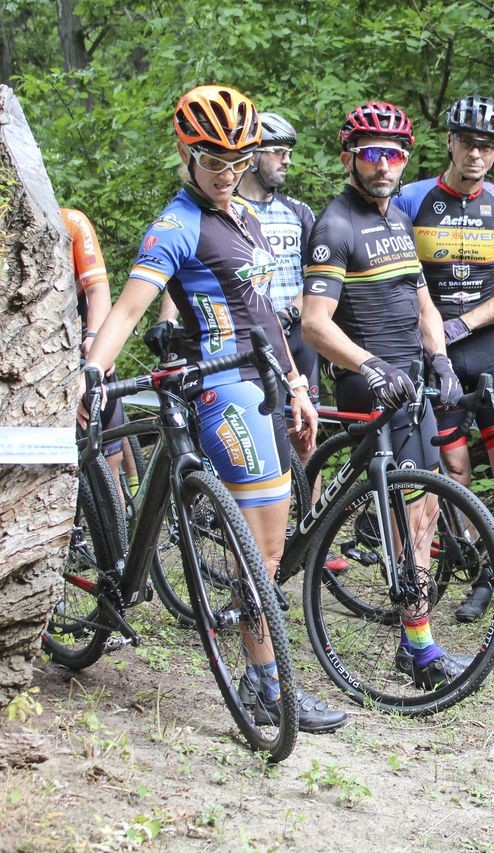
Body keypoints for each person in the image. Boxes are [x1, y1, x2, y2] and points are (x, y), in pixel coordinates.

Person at [79, 84, 346, 734]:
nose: (227, 176)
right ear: (186, 151)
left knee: (272, 547)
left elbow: (264, 316)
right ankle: (266, 682)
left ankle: (262, 673)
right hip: (218, 389)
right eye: (214, 163)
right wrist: (92, 369)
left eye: (238, 162)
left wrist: (300, 387)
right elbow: (130, 306)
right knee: (259, 546)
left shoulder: (246, 218)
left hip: (264, 382)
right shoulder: (177, 224)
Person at [301, 100, 469, 689]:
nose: (384, 165)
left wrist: (441, 359)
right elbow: (315, 324)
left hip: (411, 379)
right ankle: (420, 646)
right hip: (367, 380)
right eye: (372, 153)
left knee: (423, 509)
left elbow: (422, 301)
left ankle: (412, 638)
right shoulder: (335, 225)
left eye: (394, 154)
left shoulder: (398, 218)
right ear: (349, 157)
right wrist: (371, 365)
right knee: (404, 511)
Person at [393, 95, 494, 623]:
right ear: (449, 142)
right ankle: (480, 569)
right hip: (430, 351)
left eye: (486, 147)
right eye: (467, 142)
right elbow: (389, 277)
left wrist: (464, 322)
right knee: (453, 469)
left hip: (486, 345)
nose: (476, 154)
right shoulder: (411, 198)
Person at [234, 111, 320, 410]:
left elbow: (316, 278)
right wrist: (167, 318)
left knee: (304, 428)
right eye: (279, 152)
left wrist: (290, 313)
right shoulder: (227, 208)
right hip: (247, 337)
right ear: (253, 157)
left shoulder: (298, 212)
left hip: (297, 334)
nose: (288, 160)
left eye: (290, 153)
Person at [62, 207, 127, 486]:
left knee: (110, 459)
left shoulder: (71, 222)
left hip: (82, 328)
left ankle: (118, 517)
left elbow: (98, 290)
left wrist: (95, 339)